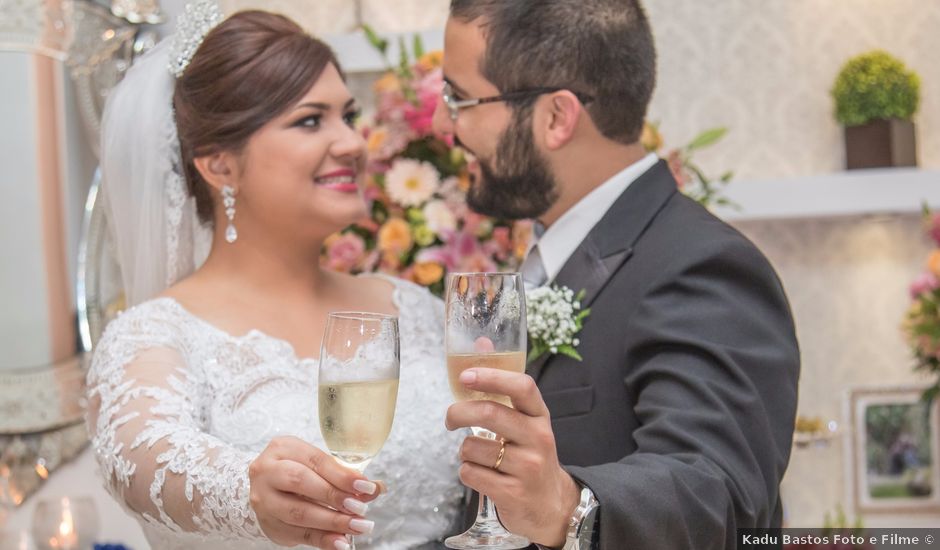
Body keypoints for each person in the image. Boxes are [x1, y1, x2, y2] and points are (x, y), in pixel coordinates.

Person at [86, 7, 463, 550]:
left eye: (348, 116)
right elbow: (141, 454)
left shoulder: (412, 308)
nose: (354, 143)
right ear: (219, 167)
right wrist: (246, 491)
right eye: (311, 120)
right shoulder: (155, 334)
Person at [431, 1, 801, 548]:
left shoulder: (703, 265)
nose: (444, 124)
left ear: (557, 117)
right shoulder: (549, 257)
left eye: (459, 98)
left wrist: (567, 505)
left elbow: (716, 493)